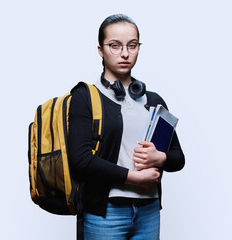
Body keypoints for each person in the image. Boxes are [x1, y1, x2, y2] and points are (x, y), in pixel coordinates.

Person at [68, 14, 185, 240]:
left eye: (132, 46)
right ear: (100, 50)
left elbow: (178, 157)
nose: (124, 53)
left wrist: (160, 159)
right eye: (115, 46)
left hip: (149, 211)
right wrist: (135, 178)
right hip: (105, 213)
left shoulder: (153, 100)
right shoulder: (85, 97)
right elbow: (80, 160)